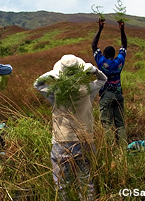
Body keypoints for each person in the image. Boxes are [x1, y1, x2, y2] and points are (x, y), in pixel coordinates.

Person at [34, 54, 107, 200]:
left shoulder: (56, 92)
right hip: (84, 140)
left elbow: (38, 84)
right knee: (86, 182)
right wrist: (93, 70)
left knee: (62, 186)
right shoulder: (88, 89)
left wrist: (52, 74)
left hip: (61, 141)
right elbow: (103, 79)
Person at [91, 19, 127, 143]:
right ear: (114, 54)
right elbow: (124, 45)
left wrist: (100, 29)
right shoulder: (119, 62)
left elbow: (94, 46)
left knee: (106, 124)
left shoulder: (102, 62)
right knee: (120, 124)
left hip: (106, 95)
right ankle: (122, 148)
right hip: (118, 94)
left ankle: (110, 150)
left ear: (105, 54)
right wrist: (121, 29)